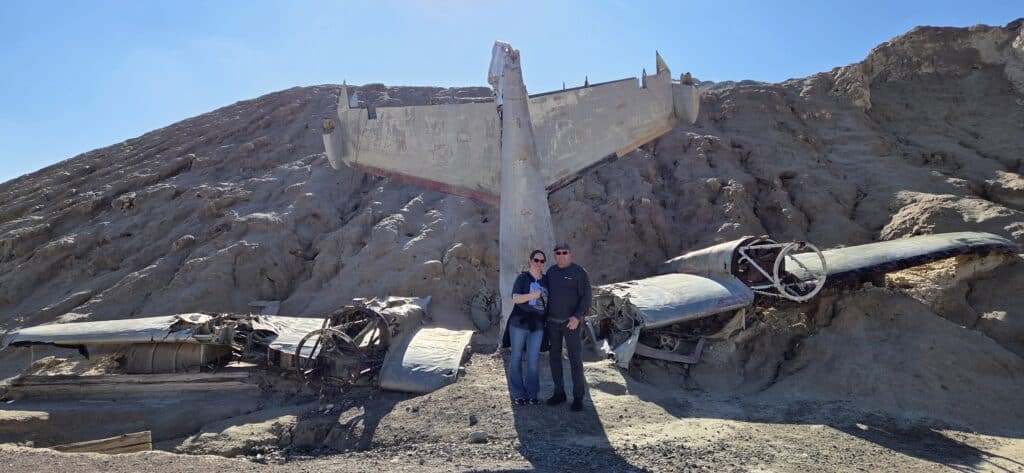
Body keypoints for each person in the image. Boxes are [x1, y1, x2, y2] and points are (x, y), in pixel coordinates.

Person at [543, 242, 591, 412]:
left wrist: (577, 317)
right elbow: (545, 296)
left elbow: (586, 298)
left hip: (571, 323)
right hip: (553, 323)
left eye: (565, 252)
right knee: (554, 358)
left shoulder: (579, 272)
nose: (561, 255)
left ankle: (578, 397)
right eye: (558, 253)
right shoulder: (551, 272)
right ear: (555, 255)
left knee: (575, 359)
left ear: (571, 254)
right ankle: (559, 393)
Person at [506, 249, 548, 405]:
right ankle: (518, 394)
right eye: (536, 260)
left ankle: (532, 394)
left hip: (537, 325)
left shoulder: (546, 280)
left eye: (542, 261)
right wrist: (533, 295)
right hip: (519, 323)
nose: (539, 263)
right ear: (530, 261)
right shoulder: (522, 278)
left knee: (533, 360)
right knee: (516, 357)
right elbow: (515, 298)